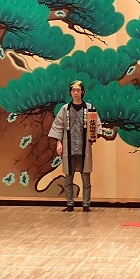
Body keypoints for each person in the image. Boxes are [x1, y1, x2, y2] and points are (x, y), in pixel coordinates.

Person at [47, 80, 102, 212]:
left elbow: (96, 125)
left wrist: (94, 135)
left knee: (86, 179)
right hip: (69, 147)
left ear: (83, 92)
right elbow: (58, 126)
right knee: (68, 178)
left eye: (78, 90)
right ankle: (70, 203)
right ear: (70, 92)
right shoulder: (65, 109)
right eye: (73, 90)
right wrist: (59, 142)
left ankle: (86, 204)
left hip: (84, 148)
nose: (76, 92)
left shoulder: (90, 108)